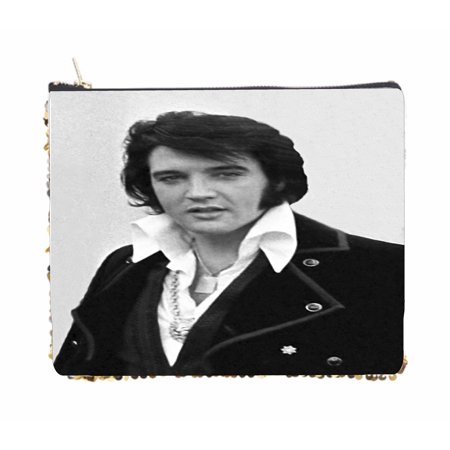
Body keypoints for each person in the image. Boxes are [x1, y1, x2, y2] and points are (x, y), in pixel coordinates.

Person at [54, 111, 404, 376]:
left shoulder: (384, 269)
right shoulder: (125, 265)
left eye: (226, 173)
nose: (198, 193)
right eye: (172, 177)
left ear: (276, 179)